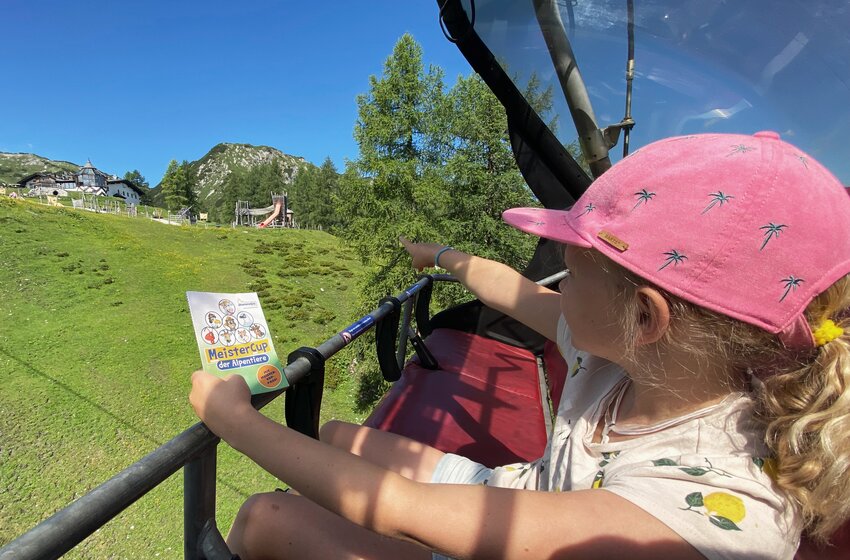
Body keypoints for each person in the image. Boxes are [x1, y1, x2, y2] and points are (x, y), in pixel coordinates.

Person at [189, 132, 850, 560]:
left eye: (574, 255)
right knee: (339, 433)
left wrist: (235, 423)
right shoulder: (637, 356)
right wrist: (443, 256)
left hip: (516, 532)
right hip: (531, 493)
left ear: (645, 316)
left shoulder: (697, 518)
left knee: (264, 517)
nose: (554, 263)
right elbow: (510, 290)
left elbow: (404, 512)